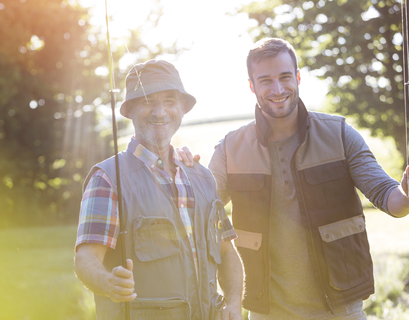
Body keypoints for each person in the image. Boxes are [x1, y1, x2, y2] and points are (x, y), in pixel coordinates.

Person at [179, 38, 409, 319]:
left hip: (341, 309)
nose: (277, 89)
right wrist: (180, 170)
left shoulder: (339, 134)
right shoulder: (229, 149)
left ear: (298, 77)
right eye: (265, 80)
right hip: (266, 311)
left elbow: (391, 198)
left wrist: (407, 193)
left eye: (285, 77)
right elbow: (197, 210)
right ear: (252, 86)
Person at [74, 60, 245, 320]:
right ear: (130, 109)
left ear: (182, 108)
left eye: (169, 100)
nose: (160, 111)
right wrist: (108, 283)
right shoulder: (108, 179)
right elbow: (86, 258)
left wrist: (233, 304)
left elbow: (227, 253)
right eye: (147, 101)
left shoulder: (202, 177)